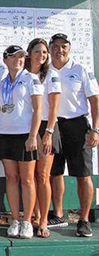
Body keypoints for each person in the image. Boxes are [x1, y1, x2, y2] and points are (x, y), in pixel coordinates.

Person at [49, 33, 99, 237]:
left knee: (83, 174)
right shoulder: (45, 70)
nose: (59, 50)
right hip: (53, 126)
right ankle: (59, 215)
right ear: (50, 48)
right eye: (56, 46)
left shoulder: (80, 69)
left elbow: (95, 101)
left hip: (78, 125)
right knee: (55, 172)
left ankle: (84, 219)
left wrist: (95, 129)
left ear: (69, 48)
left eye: (64, 46)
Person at [0, 45, 43, 239]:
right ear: (5, 60)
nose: (19, 60)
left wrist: (33, 135)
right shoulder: (2, 82)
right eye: (14, 57)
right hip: (5, 134)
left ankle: (27, 221)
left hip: (25, 134)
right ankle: (15, 219)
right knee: (11, 178)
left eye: (21, 57)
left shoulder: (31, 79)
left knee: (27, 179)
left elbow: (38, 110)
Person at [24, 38, 61, 238]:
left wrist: (48, 132)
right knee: (29, 177)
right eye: (37, 51)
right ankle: (34, 216)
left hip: (45, 129)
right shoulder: (22, 74)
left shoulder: (52, 75)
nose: (41, 55)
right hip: (25, 129)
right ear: (29, 53)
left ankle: (44, 220)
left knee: (43, 176)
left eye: (44, 52)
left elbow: (54, 107)